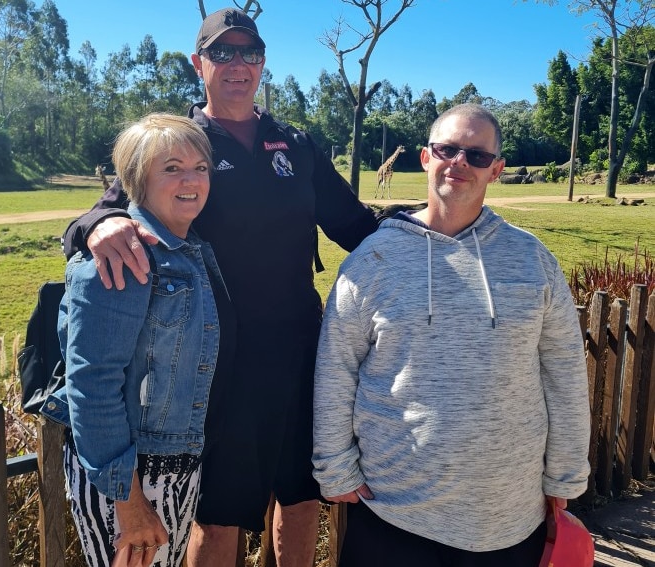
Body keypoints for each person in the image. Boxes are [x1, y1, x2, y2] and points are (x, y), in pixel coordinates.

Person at [61, 8, 379, 567]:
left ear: (262, 63)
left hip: (300, 349)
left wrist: (427, 229)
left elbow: (357, 227)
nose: (237, 64)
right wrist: (96, 225)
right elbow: (96, 217)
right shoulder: (181, 143)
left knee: (302, 495)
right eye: (222, 52)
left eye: (249, 52)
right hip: (213, 361)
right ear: (198, 63)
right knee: (218, 514)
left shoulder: (295, 144)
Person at [312, 103, 591, 566]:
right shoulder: (372, 260)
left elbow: (563, 372)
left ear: (496, 170)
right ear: (426, 157)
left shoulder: (532, 260)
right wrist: (335, 466)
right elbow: (336, 368)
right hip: (393, 511)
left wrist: (565, 474)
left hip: (507, 516)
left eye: (477, 155)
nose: (460, 162)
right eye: (448, 149)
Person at [41, 113, 229, 567]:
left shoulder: (188, 250)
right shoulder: (122, 257)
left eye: (200, 168)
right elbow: (93, 386)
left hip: (175, 466)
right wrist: (128, 502)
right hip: (131, 479)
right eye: (172, 168)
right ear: (137, 179)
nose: (191, 180)